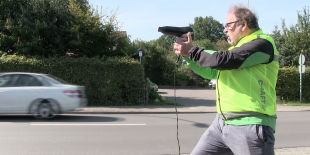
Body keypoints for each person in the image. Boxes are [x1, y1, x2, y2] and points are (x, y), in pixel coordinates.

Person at [173, 5, 279, 155]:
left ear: (243, 24)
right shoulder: (235, 50)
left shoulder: (262, 44)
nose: (224, 30)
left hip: (250, 123)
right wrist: (188, 56)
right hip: (222, 124)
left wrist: (191, 50)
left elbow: (223, 60)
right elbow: (211, 70)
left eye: (228, 25)